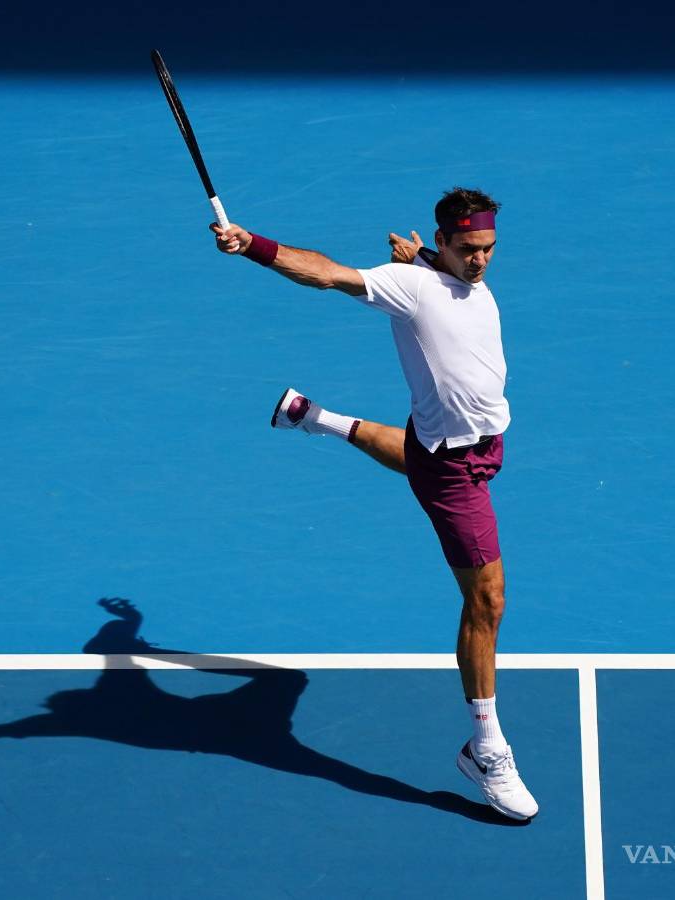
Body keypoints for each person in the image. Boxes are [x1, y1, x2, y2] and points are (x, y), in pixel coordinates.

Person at [211, 187, 538, 820]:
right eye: (468, 250)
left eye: (489, 250)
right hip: (454, 471)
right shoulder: (410, 286)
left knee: (416, 452)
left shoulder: (436, 270)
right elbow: (326, 273)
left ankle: (315, 418)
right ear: (446, 242)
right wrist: (251, 244)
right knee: (488, 599)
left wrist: (422, 256)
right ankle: (486, 748)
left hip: (468, 447)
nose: (480, 262)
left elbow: (440, 277)